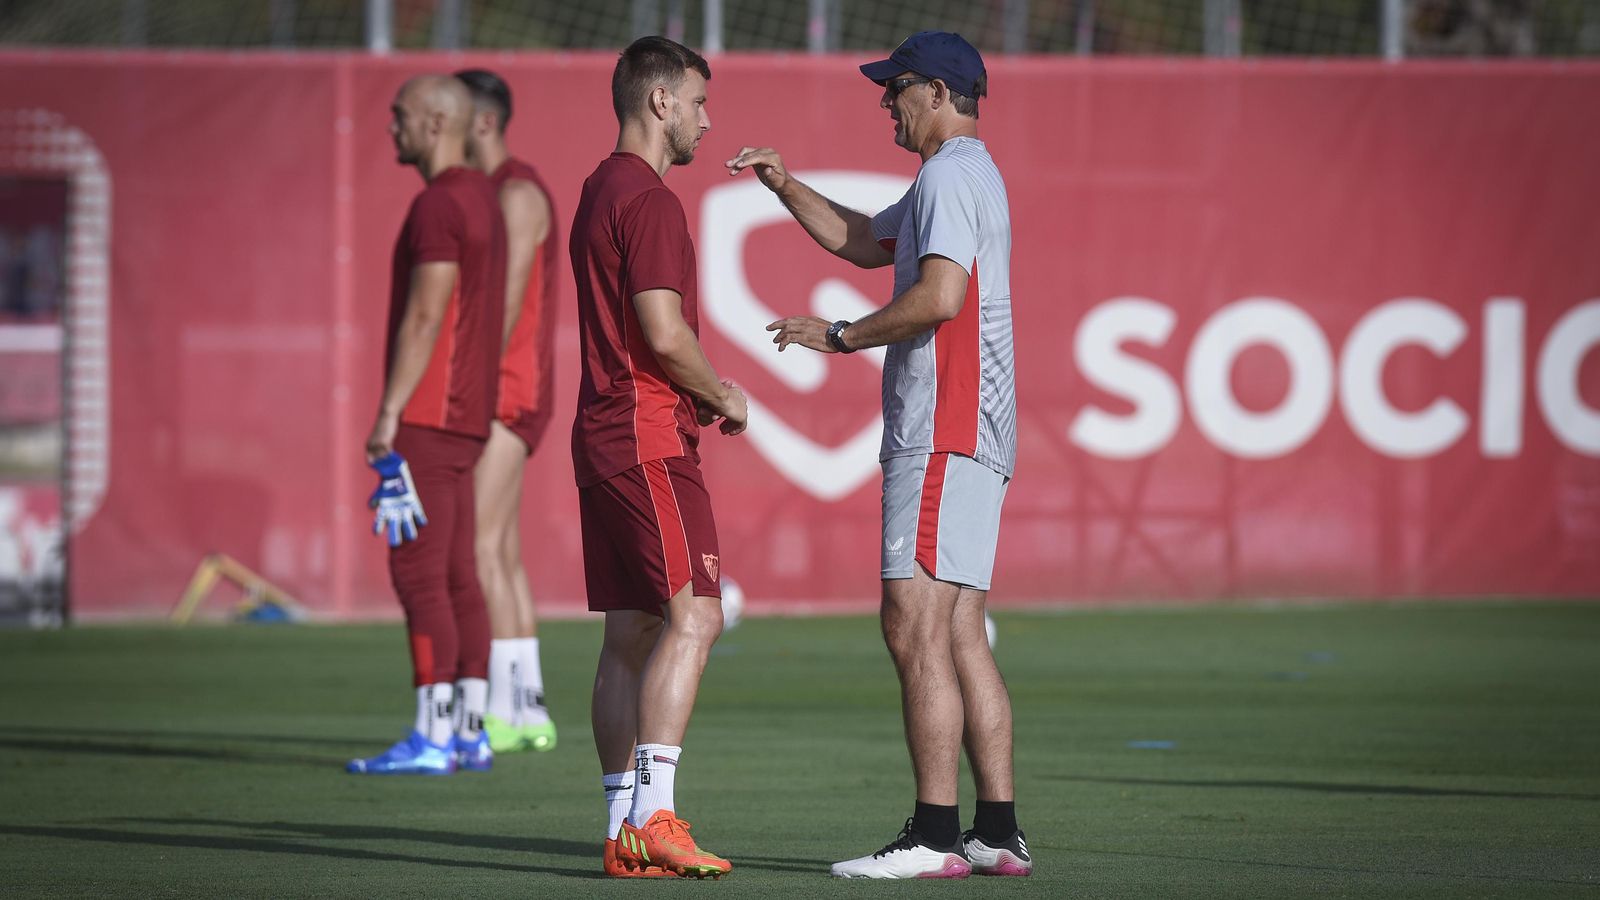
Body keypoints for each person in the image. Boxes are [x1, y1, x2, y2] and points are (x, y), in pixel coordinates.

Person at [727, 31, 1030, 879]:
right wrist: (784, 183)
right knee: (960, 630)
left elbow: (937, 298)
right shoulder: (970, 174)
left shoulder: (946, 176)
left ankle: (935, 838)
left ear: (935, 92)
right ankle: (996, 832)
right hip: (975, 430)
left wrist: (840, 334)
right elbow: (865, 242)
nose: (884, 103)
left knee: (911, 627)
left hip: (941, 428)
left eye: (894, 88)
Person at [572, 36, 747, 879]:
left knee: (630, 634)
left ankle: (620, 826)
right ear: (661, 102)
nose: (709, 122)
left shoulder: (596, 188)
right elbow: (664, 332)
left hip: (602, 436)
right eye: (700, 103)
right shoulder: (647, 199)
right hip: (646, 436)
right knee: (696, 617)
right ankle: (655, 816)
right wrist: (723, 395)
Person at [347, 75, 507, 776]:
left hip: (427, 415)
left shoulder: (440, 202)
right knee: (457, 572)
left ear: (438, 120)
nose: (392, 127)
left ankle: (433, 733)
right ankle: (469, 729)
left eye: (401, 115)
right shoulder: (483, 199)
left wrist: (387, 409)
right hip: (466, 415)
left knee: (418, 572)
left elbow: (425, 313)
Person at [454, 68, 560, 756]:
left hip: (503, 390)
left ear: (484, 123)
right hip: (506, 388)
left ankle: (502, 707)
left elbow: (507, 299)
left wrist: (469, 386)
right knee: (505, 551)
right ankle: (525, 710)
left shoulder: (516, 193)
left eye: (449, 117)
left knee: (481, 547)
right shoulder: (494, 192)